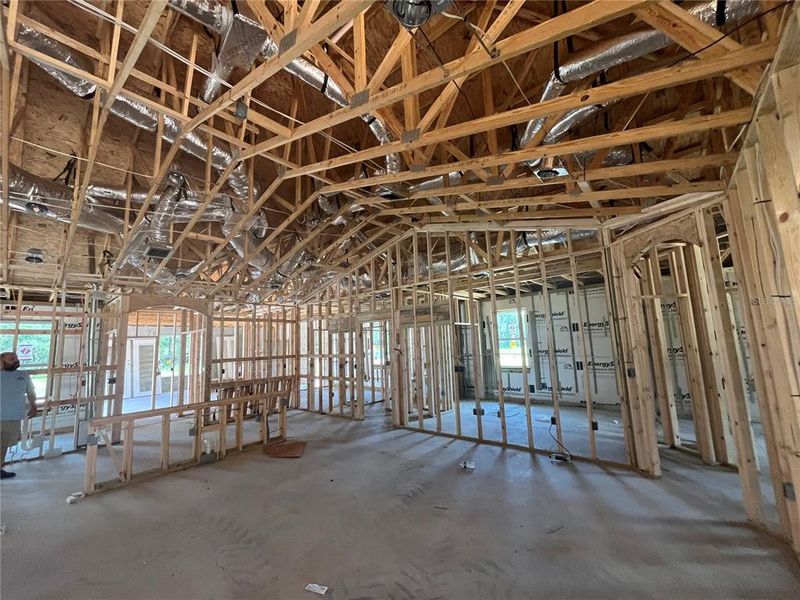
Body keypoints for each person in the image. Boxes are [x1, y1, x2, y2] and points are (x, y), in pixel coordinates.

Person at [0, 352, 38, 479]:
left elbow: (31, 392)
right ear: (1, 361)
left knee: (4, 445)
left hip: (13, 417)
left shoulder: (23, 375)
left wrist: (34, 406)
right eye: (11, 359)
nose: (16, 361)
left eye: (16, 359)